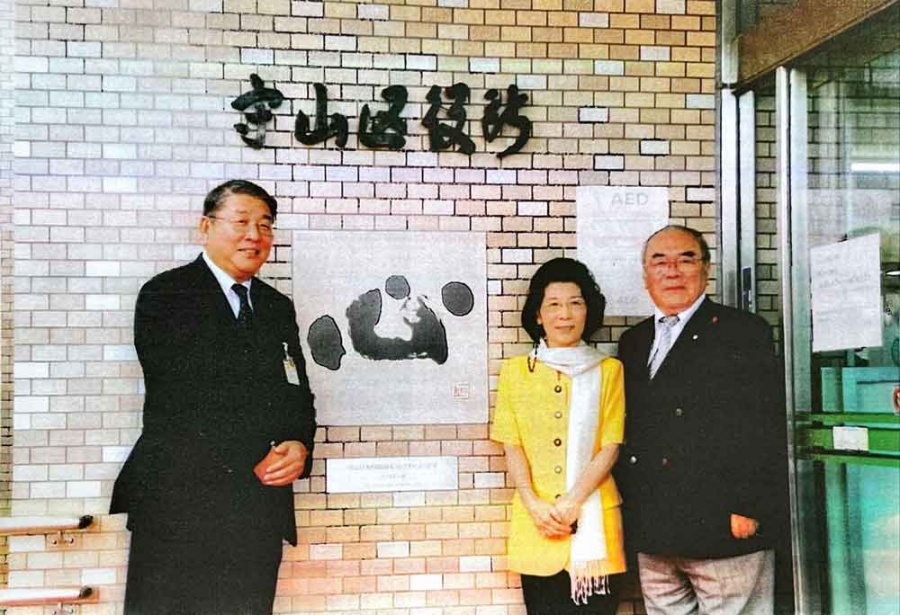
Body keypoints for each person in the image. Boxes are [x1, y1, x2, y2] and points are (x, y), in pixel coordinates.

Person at [110, 180, 317, 614]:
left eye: (265, 225)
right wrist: (251, 457)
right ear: (206, 227)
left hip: (258, 508)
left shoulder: (275, 307)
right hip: (180, 503)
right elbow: (180, 398)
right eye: (241, 222)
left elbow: (297, 393)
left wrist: (299, 444)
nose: (254, 236)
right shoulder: (167, 295)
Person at [615, 225, 788, 614]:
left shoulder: (741, 331)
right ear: (645, 274)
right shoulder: (634, 341)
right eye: (660, 261)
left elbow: (764, 424)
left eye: (686, 259)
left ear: (706, 269)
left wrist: (750, 505)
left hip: (723, 525)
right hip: (655, 528)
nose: (672, 271)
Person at [490, 257, 626, 615]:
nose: (565, 314)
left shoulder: (609, 370)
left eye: (575, 303)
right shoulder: (515, 372)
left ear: (588, 311)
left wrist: (573, 501)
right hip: (537, 523)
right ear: (537, 315)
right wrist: (534, 504)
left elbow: (611, 444)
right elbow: (512, 444)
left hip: (595, 521)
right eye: (553, 305)